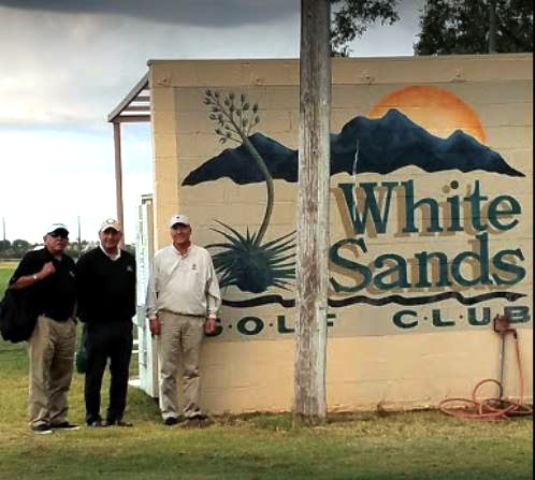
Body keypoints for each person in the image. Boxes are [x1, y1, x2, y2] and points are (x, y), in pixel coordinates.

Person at [146, 214, 220, 427]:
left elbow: (211, 287)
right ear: (171, 232)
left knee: (192, 368)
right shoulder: (161, 256)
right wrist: (152, 316)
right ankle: (169, 412)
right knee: (167, 368)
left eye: (183, 228)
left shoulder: (202, 255)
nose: (179, 232)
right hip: (168, 316)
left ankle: (192, 411)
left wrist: (212, 315)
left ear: (190, 230)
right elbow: (152, 289)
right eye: (175, 228)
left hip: (195, 318)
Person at [10, 223, 78, 434]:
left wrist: (74, 317)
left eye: (64, 236)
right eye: (55, 235)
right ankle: (39, 418)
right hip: (43, 322)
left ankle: (58, 417)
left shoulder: (68, 262)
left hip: (66, 323)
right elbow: (15, 284)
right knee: (40, 372)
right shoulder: (34, 258)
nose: (60, 239)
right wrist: (40, 275)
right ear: (45, 238)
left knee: (62, 372)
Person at [75, 218, 136, 427]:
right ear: (100, 235)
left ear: (120, 235)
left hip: (122, 325)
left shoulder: (128, 259)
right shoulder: (88, 259)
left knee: (121, 373)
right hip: (97, 326)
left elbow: (131, 290)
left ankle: (115, 415)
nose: (110, 237)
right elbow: (79, 292)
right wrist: (85, 316)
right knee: (95, 373)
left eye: (114, 233)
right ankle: (93, 416)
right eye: (106, 233)